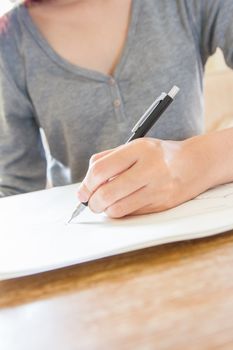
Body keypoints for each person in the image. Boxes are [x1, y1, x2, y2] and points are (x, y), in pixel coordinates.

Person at [0, 0, 233, 218]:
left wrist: (190, 161)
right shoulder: (9, 42)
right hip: (93, 242)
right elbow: (16, 185)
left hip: (196, 226)